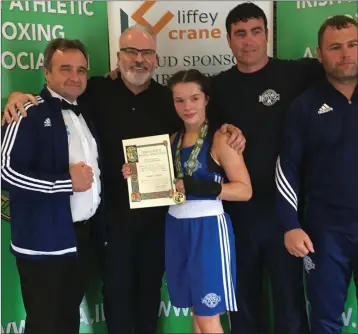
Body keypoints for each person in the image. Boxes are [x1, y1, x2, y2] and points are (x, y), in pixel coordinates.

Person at [2, 24, 244, 334]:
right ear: (119, 57)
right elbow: (47, 105)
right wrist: (16, 96)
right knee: (111, 297)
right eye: (131, 52)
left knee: (146, 296)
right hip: (108, 223)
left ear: (155, 59)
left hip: (159, 220)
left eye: (146, 53)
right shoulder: (93, 92)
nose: (138, 59)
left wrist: (232, 130)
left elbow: (202, 125)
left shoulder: (169, 100)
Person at [209, 3, 326, 334]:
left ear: (267, 35)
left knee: (289, 302)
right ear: (229, 40)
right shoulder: (216, 88)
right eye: (240, 34)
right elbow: (184, 110)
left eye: (256, 32)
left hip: (286, 211)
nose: (249, 41)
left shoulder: (298, 73)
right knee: (243, 302)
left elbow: (342, 66)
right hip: (237, 213)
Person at [123, 69, 252, 333]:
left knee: (208, 316)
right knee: (197, 311)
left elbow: (244, 191)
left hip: (208, 230)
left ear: (206, 99)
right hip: (176, 227)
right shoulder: (170, 140)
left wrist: (201, 186)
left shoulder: (221, 138)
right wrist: (135, 175)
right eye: (179, 100)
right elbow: (161, 187)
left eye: (194, 98)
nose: (187, 106)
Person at [0, 38, 104, 334]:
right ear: (46, 73)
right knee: (44, 324)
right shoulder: (26, 111)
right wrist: (65, 183)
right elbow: (5, 172)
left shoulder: (84, 113)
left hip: (80, 237)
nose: (75, 77)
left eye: (81, 70)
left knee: (68, 319)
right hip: (42, 240)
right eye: (65, 69)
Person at [276, 15, 358, 334]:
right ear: (320, 55)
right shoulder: (305, 106)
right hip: (325, 233)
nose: (346, 54)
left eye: (352, 45)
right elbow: (287, 170)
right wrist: (290, 225)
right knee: (324, 320)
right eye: (335, 47)